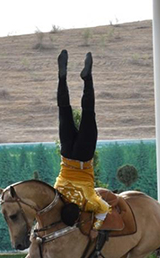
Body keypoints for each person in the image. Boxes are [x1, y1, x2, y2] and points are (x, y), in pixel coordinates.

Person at [53, 50, 110, 235]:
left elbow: (104, 210)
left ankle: (87, 79)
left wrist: (95, 229)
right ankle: (62, 78)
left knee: (88, 112)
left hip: (84, 158)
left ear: (79, 215)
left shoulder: (89, 201)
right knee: (63, 110)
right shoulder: (58, 194)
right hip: (66, 155)